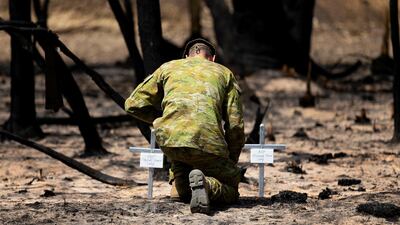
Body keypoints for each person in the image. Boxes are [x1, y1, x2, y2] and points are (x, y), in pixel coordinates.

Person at [125, 38, 245, 214]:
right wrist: (231, 159)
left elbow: (132, 104)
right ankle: (208, 186)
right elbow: (235, 126)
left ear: (186, 56)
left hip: (172, 142)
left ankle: (180, 187)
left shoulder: (168, 68)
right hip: (209, 145)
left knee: (182, 157)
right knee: (232, 189)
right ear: (212, 58)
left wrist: (162, 119)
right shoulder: (224, 73)